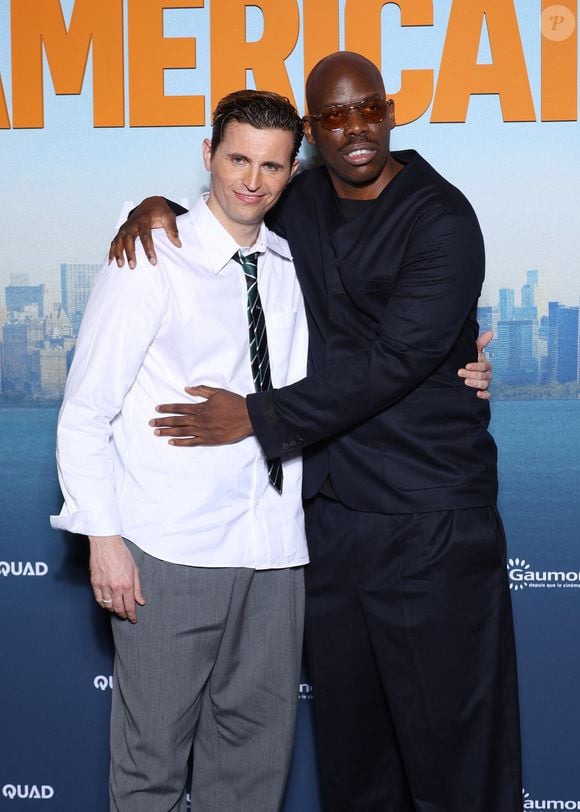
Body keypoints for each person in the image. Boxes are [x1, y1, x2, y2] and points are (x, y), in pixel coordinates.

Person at [110, 53, 520, 812]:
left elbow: (396, 359)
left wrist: (256, 417)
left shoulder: (443, 218)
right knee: (353, 756)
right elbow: (235, 205)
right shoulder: (299, 200)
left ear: (391, 110)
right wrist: (158, 205)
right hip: (326, 522)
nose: (355, 129)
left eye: (368, 109)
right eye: (334, 116)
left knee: (455, 755)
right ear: (309, 132)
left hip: (426, 519)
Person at [50, 90, 311, 812]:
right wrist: (103, 538)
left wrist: (461, 364)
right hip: (170, 550)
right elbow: (85, 412)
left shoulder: (293, 266)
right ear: (208, 155)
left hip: (274, 551)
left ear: (292, 173)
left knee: (255, 771)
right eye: (237, 159)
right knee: (149, 770)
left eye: (271, 165)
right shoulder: (148, 257)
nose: (251, 180)